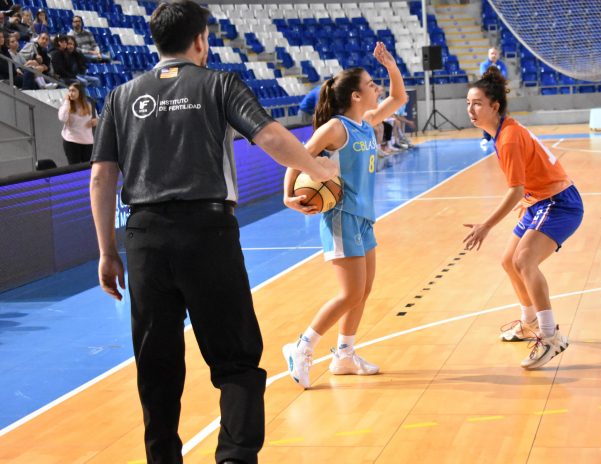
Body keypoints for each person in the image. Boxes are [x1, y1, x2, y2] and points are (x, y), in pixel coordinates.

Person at [89, 2, 337, 463]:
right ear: (200, 39)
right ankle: (235, 458)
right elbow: (269, 137)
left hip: (143, 237)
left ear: (156, 40)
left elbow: (102, 177)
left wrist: (107, 251)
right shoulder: (219, 84)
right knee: (237, 360)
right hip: (207, 234)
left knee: (156, 365)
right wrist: (315, 167)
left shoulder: (120, 96)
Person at [281, 42, 408, 389]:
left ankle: (345, 356)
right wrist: (288, 195)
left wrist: (391, 66)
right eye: (371, 84)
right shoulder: (336, 128)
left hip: (364, 217)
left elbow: (399, 99)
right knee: (349, 293)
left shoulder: (366, 122)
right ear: (355, 95)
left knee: (363, 291)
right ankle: (301, 347)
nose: (377, 88)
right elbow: (299, 155)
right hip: (341, 216)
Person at [463, 67, 583, 370]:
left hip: (558, 204)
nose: (471, 109)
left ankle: (549, 335)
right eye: (468, 103)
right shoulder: (502, 132)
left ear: (495, 106)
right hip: (539, 202)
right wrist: (528, 199)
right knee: (508, 261)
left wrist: (486, 226)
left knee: (524, 261)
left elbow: (514, 190)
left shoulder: (509, 138)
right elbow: (525, 185)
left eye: (477, 103)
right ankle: (529, 321)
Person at [59, 82, 97, 164]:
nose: (70, 93)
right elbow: (62, 118)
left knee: (88, 168)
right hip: (71, 141)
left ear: (80, 92)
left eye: (73, 91)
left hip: (87, 141)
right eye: (69, 91)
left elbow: (96, 118)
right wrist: (66, 102)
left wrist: (96, 121)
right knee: (74, 169)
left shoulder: (89, 105)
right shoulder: (66, 106)